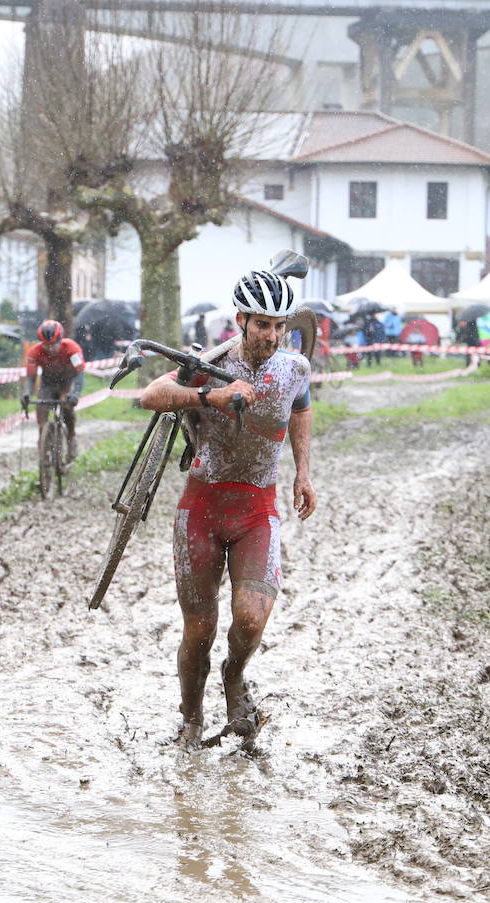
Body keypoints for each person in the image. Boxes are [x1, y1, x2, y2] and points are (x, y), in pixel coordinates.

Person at [139, 269, 316, 750]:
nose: (272, 336)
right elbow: (150, 396)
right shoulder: (209, 363)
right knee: (199, 628)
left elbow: (300, 410)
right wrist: (211, 395)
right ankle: (191, 718)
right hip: (202, 507)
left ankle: (234, 675)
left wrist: (303, 472)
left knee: (252, 617)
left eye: (279, 326)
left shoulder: (295, 368)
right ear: (241, 320)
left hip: (258, 509)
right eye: (262, 325)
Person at [21, 319, 86, 460]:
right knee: (41, 410)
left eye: (53, 345)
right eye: (46, 345)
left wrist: (75, 394)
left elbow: (80, 374)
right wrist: (26, 392)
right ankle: (43, 440)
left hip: (67, 383)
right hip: (47, 384)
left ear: (60, 340)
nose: (49, 349)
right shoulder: (35, 352)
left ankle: (71, 437)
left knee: (67, 405)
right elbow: (31, 378)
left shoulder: (72, 348)